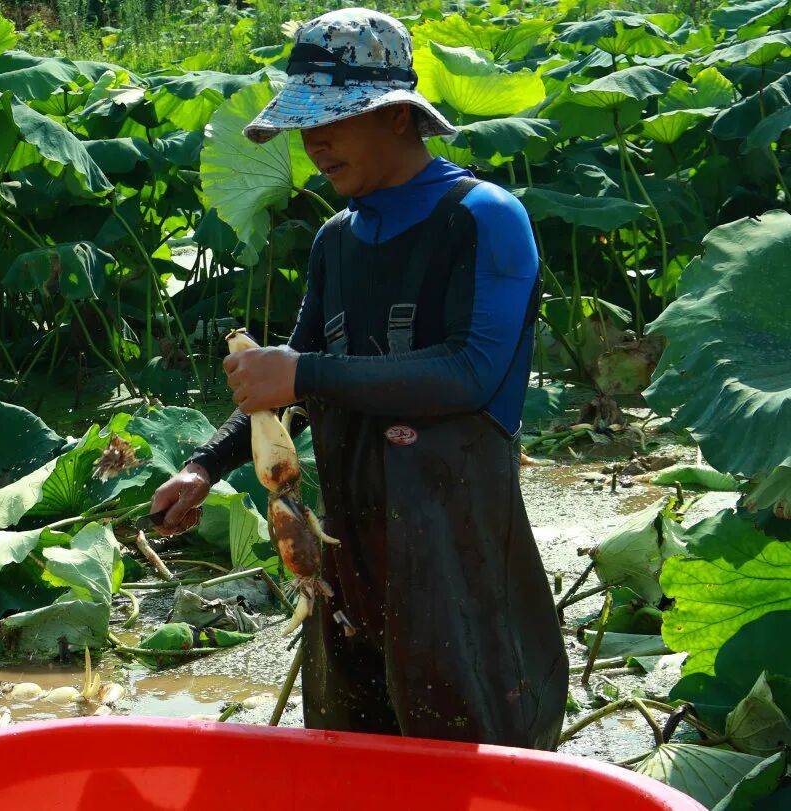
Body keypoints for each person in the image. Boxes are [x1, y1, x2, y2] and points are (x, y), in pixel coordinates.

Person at [149, 8, 568, 749]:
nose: (314, 143)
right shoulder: (336, 241)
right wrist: (205, 465)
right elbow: (295, 384)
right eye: (304, 125)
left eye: (333, 121)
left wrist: (301, 370)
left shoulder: (482, 217)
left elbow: (471, 374)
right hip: (349, 565)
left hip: (458, 569)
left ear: (399, 116)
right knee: (352, 768)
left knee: (475, 768)